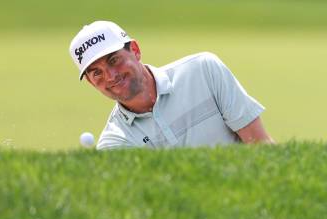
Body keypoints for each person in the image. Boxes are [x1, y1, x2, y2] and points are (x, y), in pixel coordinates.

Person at [68, 21, 274, 150]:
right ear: (90, 81)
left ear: (135, 50)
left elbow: (260, 146)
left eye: (114, 60)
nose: (111, 76)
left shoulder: (204, 71)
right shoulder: (115, 143)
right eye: (97, 73)